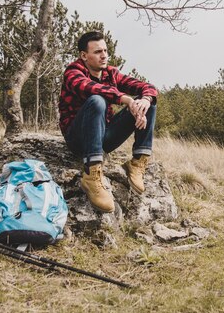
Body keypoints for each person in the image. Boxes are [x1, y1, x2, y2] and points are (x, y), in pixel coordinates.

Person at [59, 31, 158, 213]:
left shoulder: (111, 73)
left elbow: (148, 87)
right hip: (78, 140)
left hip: (104, 137)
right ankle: (91, 175)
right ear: (84, 55)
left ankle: (137, 163)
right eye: (97, 52)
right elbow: (90, 89)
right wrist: (126, 99)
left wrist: (143, 101)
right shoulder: (73, 72)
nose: (104, 55)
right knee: (97, 100)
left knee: (148, 104)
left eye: (105, 50)